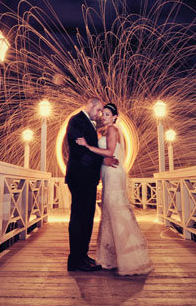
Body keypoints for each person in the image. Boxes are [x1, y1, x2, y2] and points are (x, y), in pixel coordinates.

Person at [76, 103, 153, 275]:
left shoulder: (112, 130)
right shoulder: (105, 131)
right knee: (110, 212)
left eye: (108, 114)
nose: (104, 116)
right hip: (108, 172)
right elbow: (106, 155)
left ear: (115, 117)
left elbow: (110, 152)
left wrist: (88, 146)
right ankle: (112, 257)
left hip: (113, 173)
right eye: (103, 113)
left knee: (116, 211)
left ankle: (129, 258)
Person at [65, 97, 118, 272]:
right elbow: (81, 151)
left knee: (87, 218)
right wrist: (104, 160)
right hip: (80, 178)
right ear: (91, 106)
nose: (100, 114)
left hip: (87, 178)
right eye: (99, 110)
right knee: (79, 218)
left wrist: (103, 161)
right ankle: (75, 260)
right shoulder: (76, 121)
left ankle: (82, 256)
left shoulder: (88, 123)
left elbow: (88, 150)